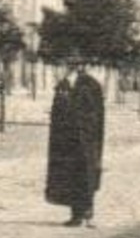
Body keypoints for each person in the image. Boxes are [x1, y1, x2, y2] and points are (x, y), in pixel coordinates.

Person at [45, 58, 105, 227]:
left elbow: (95, 115)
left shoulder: (91, 85)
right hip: (67, 139)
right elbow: (58, 109)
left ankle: (87, 212)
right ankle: (76, 214)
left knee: (85, 175)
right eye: (68, 64)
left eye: (74, 65)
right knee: (71, 176)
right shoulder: (63, 85)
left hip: (85, 139)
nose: (68, 68)